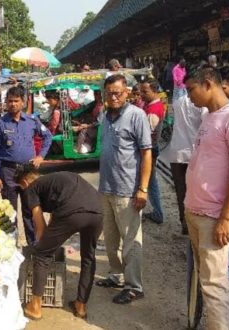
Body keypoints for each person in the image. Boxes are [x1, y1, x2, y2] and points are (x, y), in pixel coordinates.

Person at [184, 66, 229, 330]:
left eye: (191, 89)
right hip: (196, 210)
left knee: (214, 284)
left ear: (209, 83)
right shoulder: (209, 116)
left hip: (214, 215)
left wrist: (226, 217)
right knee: (204, 278)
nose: (188, 96)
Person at [94, 74, 152, 305]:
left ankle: (134, 286)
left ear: (127, 92)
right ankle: (116, 276)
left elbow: (147, 153)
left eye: (118, 92)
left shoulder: (136, 116)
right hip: (107, 187)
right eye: (110, 93)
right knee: (110, 239)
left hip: (128, 190)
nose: (114, 97)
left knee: (130, 242)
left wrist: (143, 189)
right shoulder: (105, 117)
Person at [17, 166, 103, 320]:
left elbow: (40, 227)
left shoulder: (31, 188)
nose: (23, 191)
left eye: (21, 187)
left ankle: (35, 306)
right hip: (97, 211)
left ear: (24, 181)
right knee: (88, 258)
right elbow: (55, 217)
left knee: (42, 254)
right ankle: (81, 306)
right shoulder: (55, 180)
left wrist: (42, 247)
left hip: (72, 211)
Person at [0, 86, 53, 245]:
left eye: (16, 101)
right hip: (8, 171)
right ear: (6, 102)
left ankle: (32, 244)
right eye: (10, 101)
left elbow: (48, 137)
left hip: (28, 172)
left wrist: (41, 156)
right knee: (9, 212)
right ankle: (12, 244)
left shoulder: (32, 121)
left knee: (30, 209)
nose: (13, 104)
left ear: (23, 103)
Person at [167, 91, 207, 235]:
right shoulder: (202, 106)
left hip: (177, 151)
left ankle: (184, 222)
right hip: (194, 152)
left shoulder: (178, 102)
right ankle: (191, 224)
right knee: (194, 190)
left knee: (181, 190)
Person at [140, 79, 165, 224]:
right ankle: (157, 212)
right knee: (150, 180)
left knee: (148, 180)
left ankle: (157, 212)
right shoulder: (152, 106)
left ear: (154, 91)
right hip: (150, 149)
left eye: (145, 92)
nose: (142, 95)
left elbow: (147, 135)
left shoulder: (153, 110)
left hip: (149, 150)